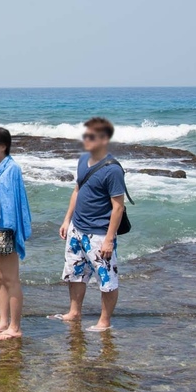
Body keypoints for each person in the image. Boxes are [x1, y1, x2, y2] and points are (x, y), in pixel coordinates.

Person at [53, 117, 127, 332]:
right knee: (75, 273)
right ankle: (74, 313)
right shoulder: (83, 159)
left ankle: (104, 321)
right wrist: (67, 220)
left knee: (107, 279)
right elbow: (77, 190)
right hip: (77, 229)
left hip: (99, 233)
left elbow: (118, 207)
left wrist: (109, 239)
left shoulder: (113, 169)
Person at [0, 127, 32, 340]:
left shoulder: (11, 168)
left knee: (11, 279)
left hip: (6, 229)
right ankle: (3, 322)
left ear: (2, 146)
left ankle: (15, 327)